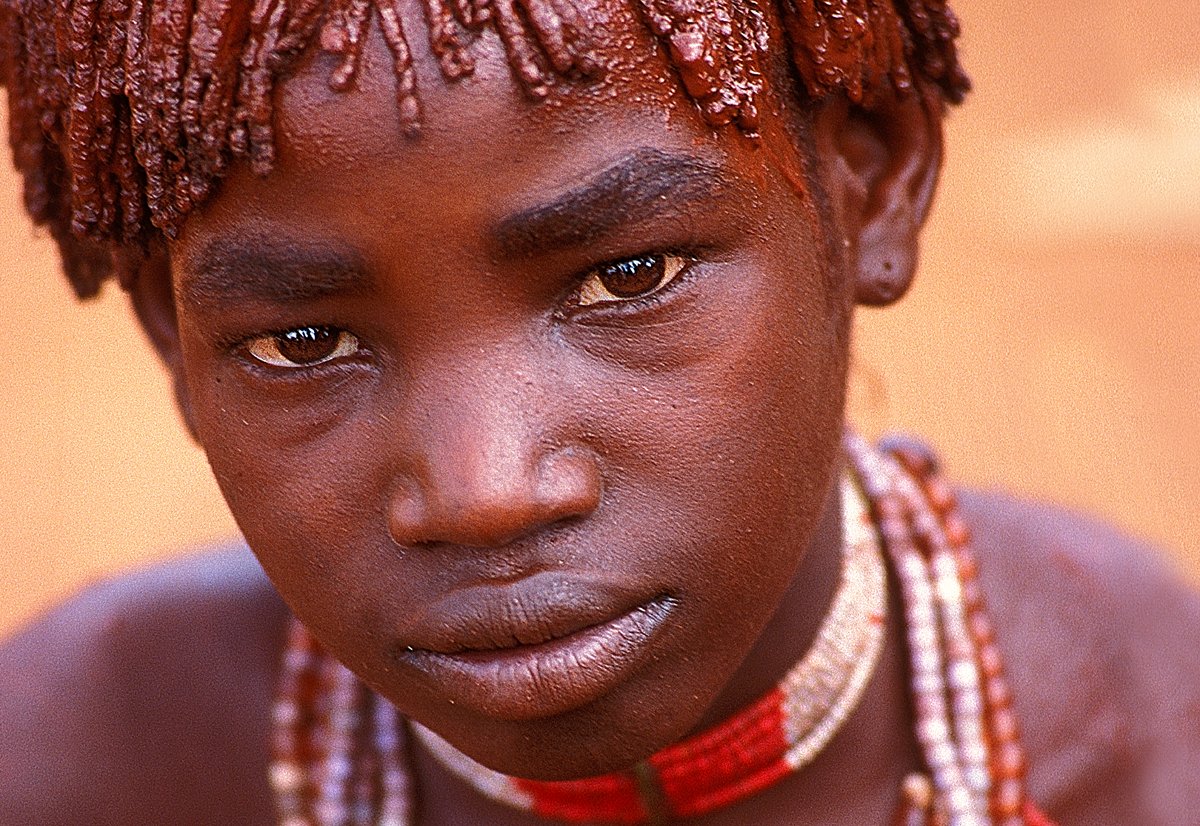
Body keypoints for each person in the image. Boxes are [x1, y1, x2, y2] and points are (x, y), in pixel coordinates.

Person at [0, 0, 1196, 824]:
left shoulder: (1153, 744)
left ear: (867, 182)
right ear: (173, 332)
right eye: (302, 341)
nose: (486, 489)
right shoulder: (83, 763)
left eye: (629, 277)